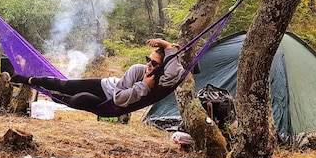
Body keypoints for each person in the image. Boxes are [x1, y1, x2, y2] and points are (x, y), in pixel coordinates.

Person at [10, 39, 185, 111]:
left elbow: (175, 71)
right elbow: (118, 95)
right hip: (105, 86)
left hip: (111, 103)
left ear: (162, 68)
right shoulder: (138, 70)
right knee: (65, 85)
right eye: (149, 59)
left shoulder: (163, 80)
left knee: (80, 99)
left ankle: (54, 97)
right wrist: (165, 44)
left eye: (154, 63)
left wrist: (143, 86)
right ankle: (29, 80)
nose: (148, 65)